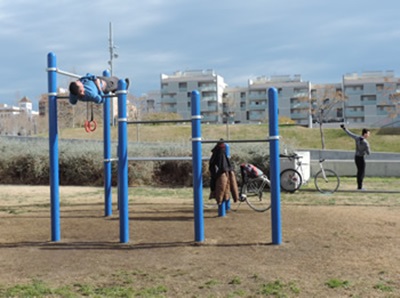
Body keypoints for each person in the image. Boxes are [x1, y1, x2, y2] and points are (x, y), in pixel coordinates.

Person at [340, 124, 371, 190]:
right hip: (361, 158)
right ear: (365, 134)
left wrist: (344, 128)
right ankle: (360, 187)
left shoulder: (357, 138)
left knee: (359, 172)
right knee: (361, 172)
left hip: (356, 157)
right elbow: (368, 153)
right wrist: (365, 150)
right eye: (368, 134)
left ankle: (359, 186)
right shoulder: (366, 143)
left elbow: (350, 134)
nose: (369, 135)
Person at [208, 139, 239, 204]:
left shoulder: (218, 154)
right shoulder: (222, 154)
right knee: (226, 186)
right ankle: (233, 199)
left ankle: (221, 201)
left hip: (221, 172)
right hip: (224, 171)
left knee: (222, 187)